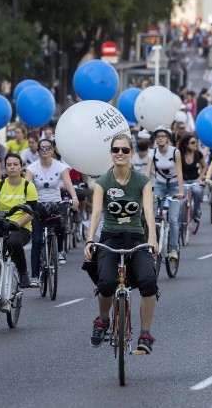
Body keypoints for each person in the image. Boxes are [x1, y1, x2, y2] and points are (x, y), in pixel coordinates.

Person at [84, 133, 159, 354]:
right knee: (106, 282)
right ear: (111, 153)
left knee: (148, 281)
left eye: (125, 150)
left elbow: (148, 212)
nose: (120, 153)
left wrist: (152, 239)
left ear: (131, 153)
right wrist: (90, 240)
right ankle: (103, 320)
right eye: (116, 149)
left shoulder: (142, 181)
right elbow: (96, 213)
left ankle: (145, 334)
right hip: (110, 238)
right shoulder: (102, 182)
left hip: (136, 237)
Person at [0, 153, 38, 298]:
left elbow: (31, 213)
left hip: (21, 228)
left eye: (15, 164)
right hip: (0, 226)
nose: (12, 167)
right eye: (9, 165)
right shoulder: (0, 184)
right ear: (5, 167)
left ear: (21, 167)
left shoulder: (28, 186)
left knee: (13, 242)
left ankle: (23, 273)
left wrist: (16, 225)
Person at [25, 139, 79, 285]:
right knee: (37, 240)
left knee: (60, 225)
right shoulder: (32, 167)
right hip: (38, 205)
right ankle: (35, 277)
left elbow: (68, 183)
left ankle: (59, 251)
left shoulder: (60, 166)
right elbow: (26, 185)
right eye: (42, 148)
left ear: (52, 150)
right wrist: (25, 201)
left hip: (55, 203)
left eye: (48, 148)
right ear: (38, 151)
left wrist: (74, 198)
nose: (45, 150)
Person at [145, 125, 184, 262]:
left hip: (174, 186)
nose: (160, 139)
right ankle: (152, 243)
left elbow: (179, 173)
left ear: (168, 138)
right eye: (158, 136)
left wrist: (181, 191)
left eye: (163, 136)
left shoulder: (175, 152)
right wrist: (144, 188)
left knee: (173, 219)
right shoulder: (153, 153)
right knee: (153, 215)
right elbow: (147, 172)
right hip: (160, 185)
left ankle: (173, 249)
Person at [177, 133, 206, 227]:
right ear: (186, 144)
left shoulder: (198, 154)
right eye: (193, 143)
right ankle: (180, 222)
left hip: (195, 181)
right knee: (181, 201)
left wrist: (200, 178)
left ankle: (196, 212)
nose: (195, 144)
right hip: (183, 182)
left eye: (196, 142)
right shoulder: (179, 155)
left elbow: (204, 167)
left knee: (197, 191)